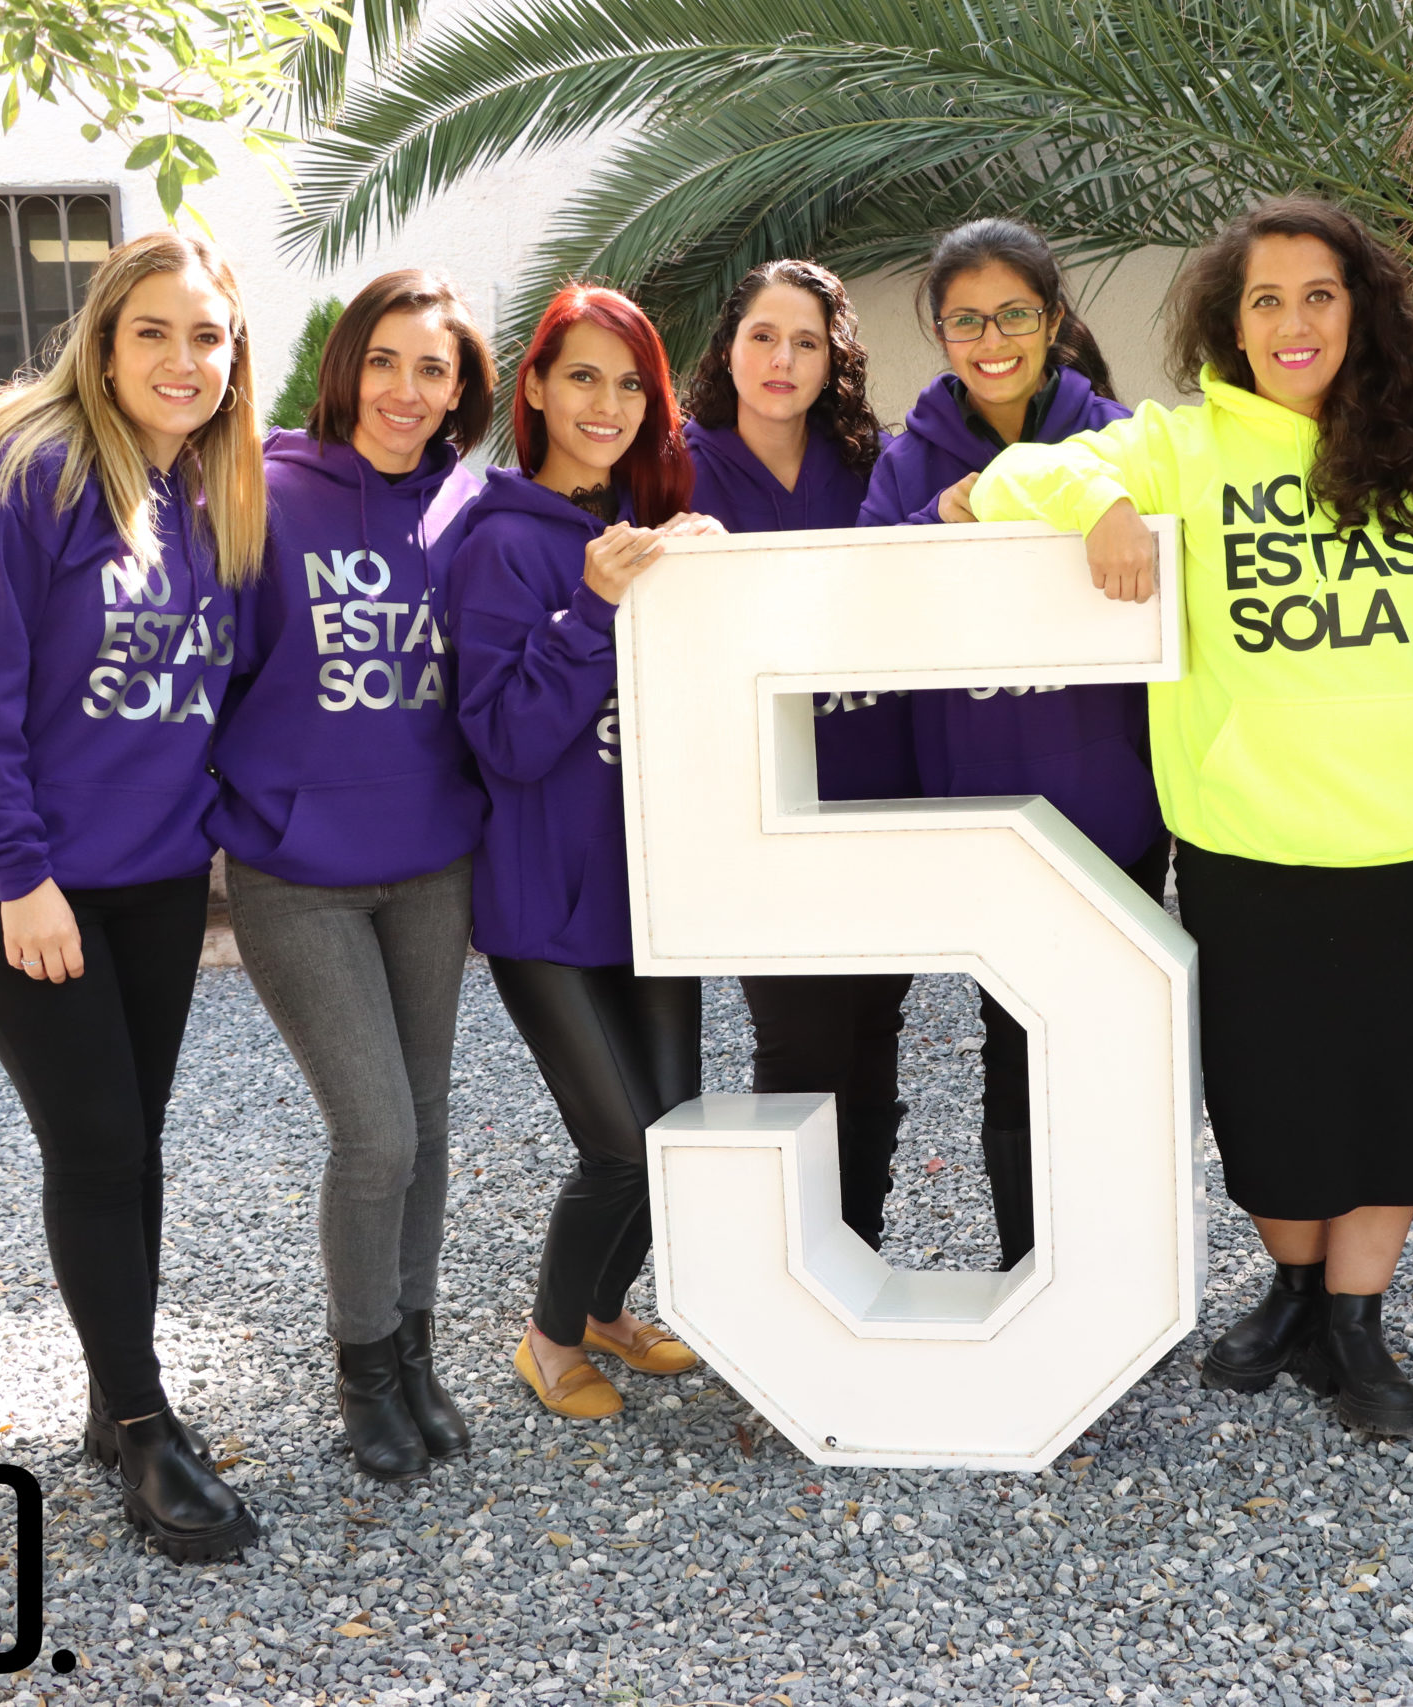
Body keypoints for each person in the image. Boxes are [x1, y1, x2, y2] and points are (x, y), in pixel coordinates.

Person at [973, 198, 1413, 1437]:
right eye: (1266, 300)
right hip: (1247, 836)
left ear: (1356, 310)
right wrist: (1098, 509)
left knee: (1399, 1097)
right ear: (1232, 322)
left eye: (1318, 294)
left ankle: (1356, 1327)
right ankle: (1294, 1293)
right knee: (1267, 1098)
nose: (1293, 321)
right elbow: (1011, 473)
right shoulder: (1177, 445)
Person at [0, 230, 265, 1560]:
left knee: (131, 1146)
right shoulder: (34, 471)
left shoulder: (199, 495)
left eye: (209, 337)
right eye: (155, 332)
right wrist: (20, 875)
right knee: (101, 1144)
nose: (185, 360)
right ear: (104, 341)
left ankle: (112, 1391)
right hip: (28, 887)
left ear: (235, 362)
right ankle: (146, 1429)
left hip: (158, 877)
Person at [212, 270, 494, 1480]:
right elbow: (205, 671)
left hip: (431, 865)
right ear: (344, 368)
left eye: (431, 368)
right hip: (296, 872)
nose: (404, 389)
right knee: (374, 1133)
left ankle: (417, 1357)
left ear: (459, 392)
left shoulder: (464, 514)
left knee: (426, 1128)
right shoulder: (264, 497)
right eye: (383, 360)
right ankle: (362, 1367)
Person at [859, 219, 1168, 1269]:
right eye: (965, 320)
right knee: (1011, 1052)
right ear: (939, 332)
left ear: (1052, 320)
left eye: (1014, 315)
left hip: (1117, 809)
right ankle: (1034, 1269)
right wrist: (935, 523)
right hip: (987, 818)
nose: (991, 339)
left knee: (1121, 1046)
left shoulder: (1120, 440)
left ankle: (1125, 1276)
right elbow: (851, 597)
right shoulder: (908, 463)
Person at [447, 283, 724, 1422]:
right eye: (582, 378)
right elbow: (505, 736)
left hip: (650, 892)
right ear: (535, 391)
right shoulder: (502, 542)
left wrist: (704, 567)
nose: (605, 403)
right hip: (540, 903)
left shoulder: (644, 533)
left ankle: (608, 1310)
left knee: (678, 1135)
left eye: (630, 383)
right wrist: (591, 612)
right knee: (617, 1144)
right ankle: (550, 1336)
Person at [679, 260, 918, 1250]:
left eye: (806, 341)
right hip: (764, 809)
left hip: (883, 794)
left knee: (872, 1039)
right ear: (727, 345)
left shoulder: (876, 464)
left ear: (836, 360)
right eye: (762, 335)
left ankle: (859, 1247)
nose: (781, 359)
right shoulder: (676, 466)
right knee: (798, 1043)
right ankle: (804, 1268)